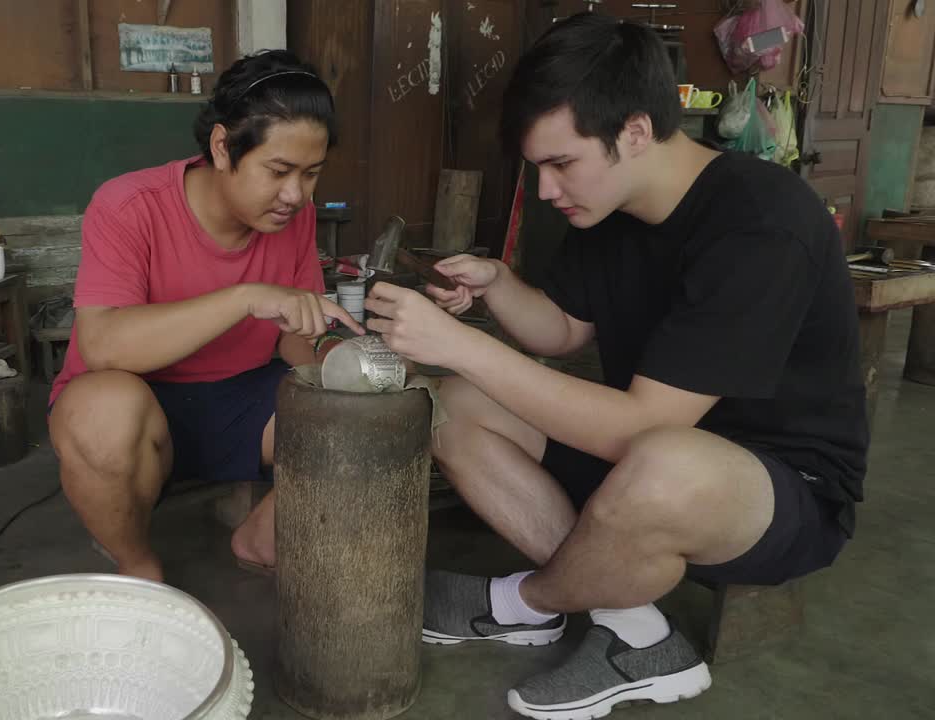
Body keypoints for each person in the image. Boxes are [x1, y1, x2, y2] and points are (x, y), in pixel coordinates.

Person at [363, 13, 868, 719]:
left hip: (776, 491)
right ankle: (635, 631)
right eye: (537, 167)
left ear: (633, 132)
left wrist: (458, 341)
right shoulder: (611, 208)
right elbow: (564, 329)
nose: (544, 189)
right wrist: (496, 286)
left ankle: (522, 600)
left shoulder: (762, 223)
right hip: (646, 458)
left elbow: (641, 430)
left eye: (561, 163)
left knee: (663, 464)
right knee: (455, 402)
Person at [48, 49, 363, 583]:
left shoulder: (296, 216)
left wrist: (339, 352)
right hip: (140, 401)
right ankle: (138, 566)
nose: (295, 195)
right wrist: (246, 297)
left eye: (311, 174)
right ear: (223, 147)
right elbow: (101, 344)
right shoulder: (128, 206)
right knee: (101, 415)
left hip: (244, 397)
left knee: (365, 417)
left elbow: (293, 347)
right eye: (279, 171)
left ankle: (261, 536)